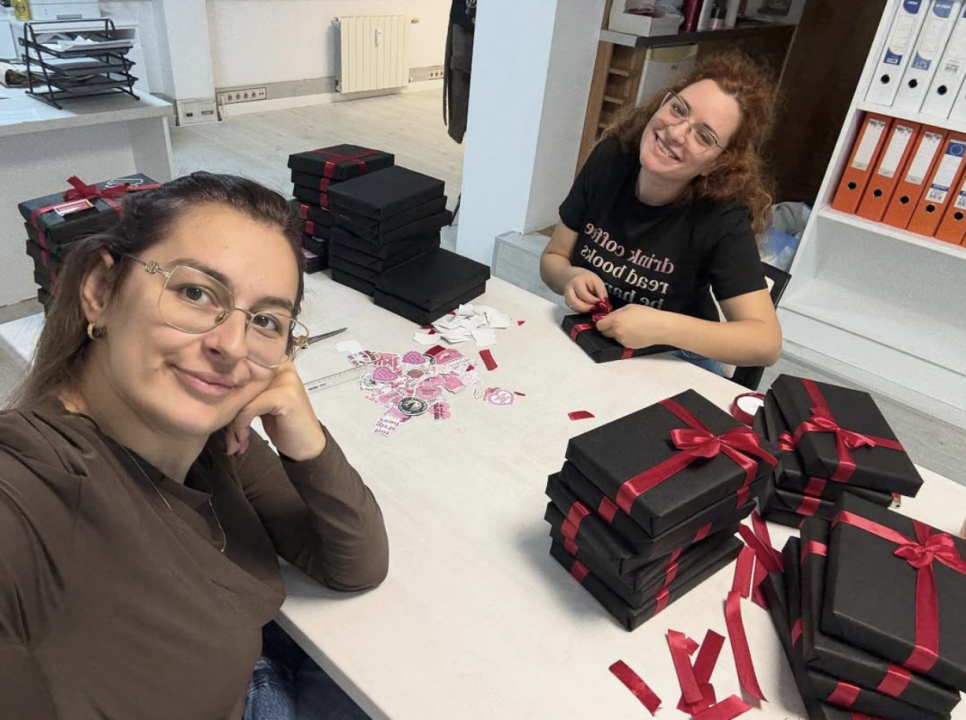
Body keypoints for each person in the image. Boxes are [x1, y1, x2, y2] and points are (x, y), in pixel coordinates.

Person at [0, 173, 389, 719]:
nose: (231, 345)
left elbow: (355, 564)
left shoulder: (211, 439)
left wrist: (307, 443)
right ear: (101, 290)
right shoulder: (34, 488)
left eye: (265, 320)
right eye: (195, 292)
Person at [540, 50, 783, 375]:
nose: (676, 133)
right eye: (678, 109)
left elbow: (766, 344)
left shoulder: (721, 216)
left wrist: (662, 327)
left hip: (676, 359)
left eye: (703, 136)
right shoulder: (610, 159)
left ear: (715, 164)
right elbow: (553, 258)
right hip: (596, 339)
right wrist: (570, 277)